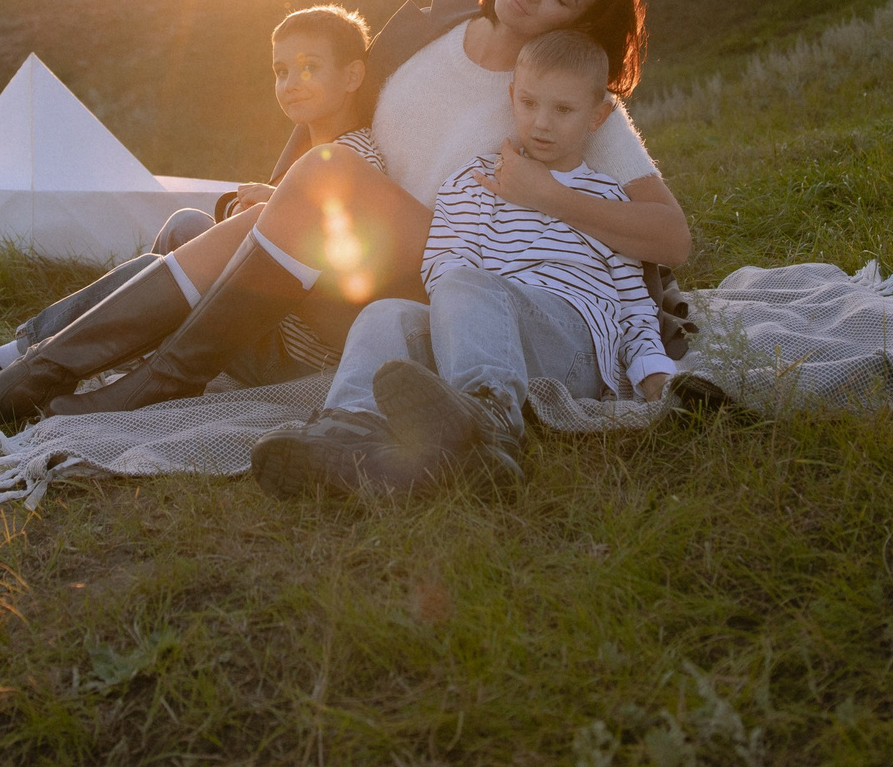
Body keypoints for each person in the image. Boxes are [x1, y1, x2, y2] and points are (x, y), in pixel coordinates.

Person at [0, 0, 689, 430]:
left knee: (315, 185)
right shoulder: (428, 27)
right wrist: (282, 192)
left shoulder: (565, 96)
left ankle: (144, 384)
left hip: (456, 276)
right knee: (220, 224)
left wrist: (547, 196)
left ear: (576, 27)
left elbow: (672, 237)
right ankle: (37, 369)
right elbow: (335, 115)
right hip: (358, 242)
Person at [248, 29, 677, 498]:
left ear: (597, 116)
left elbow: (634, 304)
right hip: (476, 335)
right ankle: (349, 432)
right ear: (512, 97)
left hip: (568, 348)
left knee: (469, 284)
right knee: (387, 312)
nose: (542, 123)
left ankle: (488, 420)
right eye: (530, 103)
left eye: (563, 110)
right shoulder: (470, 184)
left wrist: (653, 375)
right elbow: (443, 266)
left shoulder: (605, 199)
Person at [0, 5, 382, 413]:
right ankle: (83, 348)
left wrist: (279, 209)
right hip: (267, 323)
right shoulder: (316, 151)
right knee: (185, 226)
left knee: (156, 269)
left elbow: (341, 265)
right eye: (281, 71)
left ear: (352, 76)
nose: (290, 84)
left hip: (292, 355)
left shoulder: (355, 158)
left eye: (309, 68)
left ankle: (16, 359)